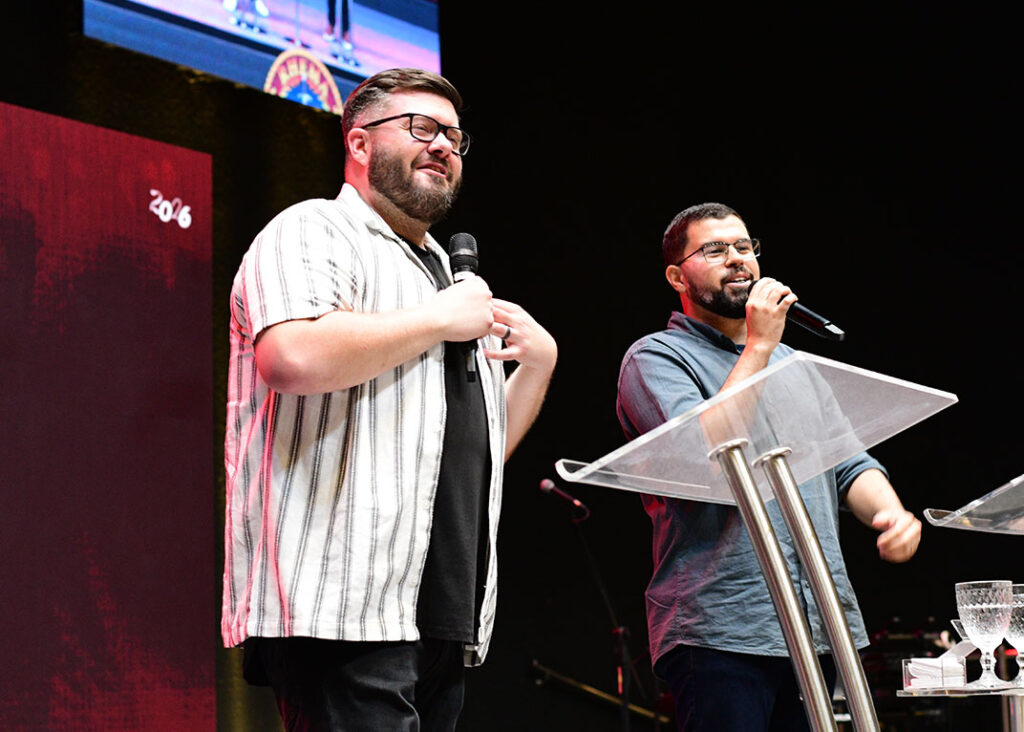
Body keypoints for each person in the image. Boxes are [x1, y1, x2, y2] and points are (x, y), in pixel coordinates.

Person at [221, 67, 557, 731]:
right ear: (359, 142)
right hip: (338, 607)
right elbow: (291, 356)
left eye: (454, 137)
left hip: (439, 612)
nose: (443, 145)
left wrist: (539, 365)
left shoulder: (445, 278)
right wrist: (439, 319)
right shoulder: (313, 228)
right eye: (421, 128)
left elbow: (475, 457)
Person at [615, 202, 920, 731]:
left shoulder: (793, 365)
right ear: (676, 277)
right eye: (715, 250)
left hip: (817, 623)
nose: (737, 259)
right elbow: (706, 454)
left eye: (744, 246)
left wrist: (890, 514)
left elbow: (849, 463)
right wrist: (758, 345)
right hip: (722, 628)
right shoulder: (655, 358)